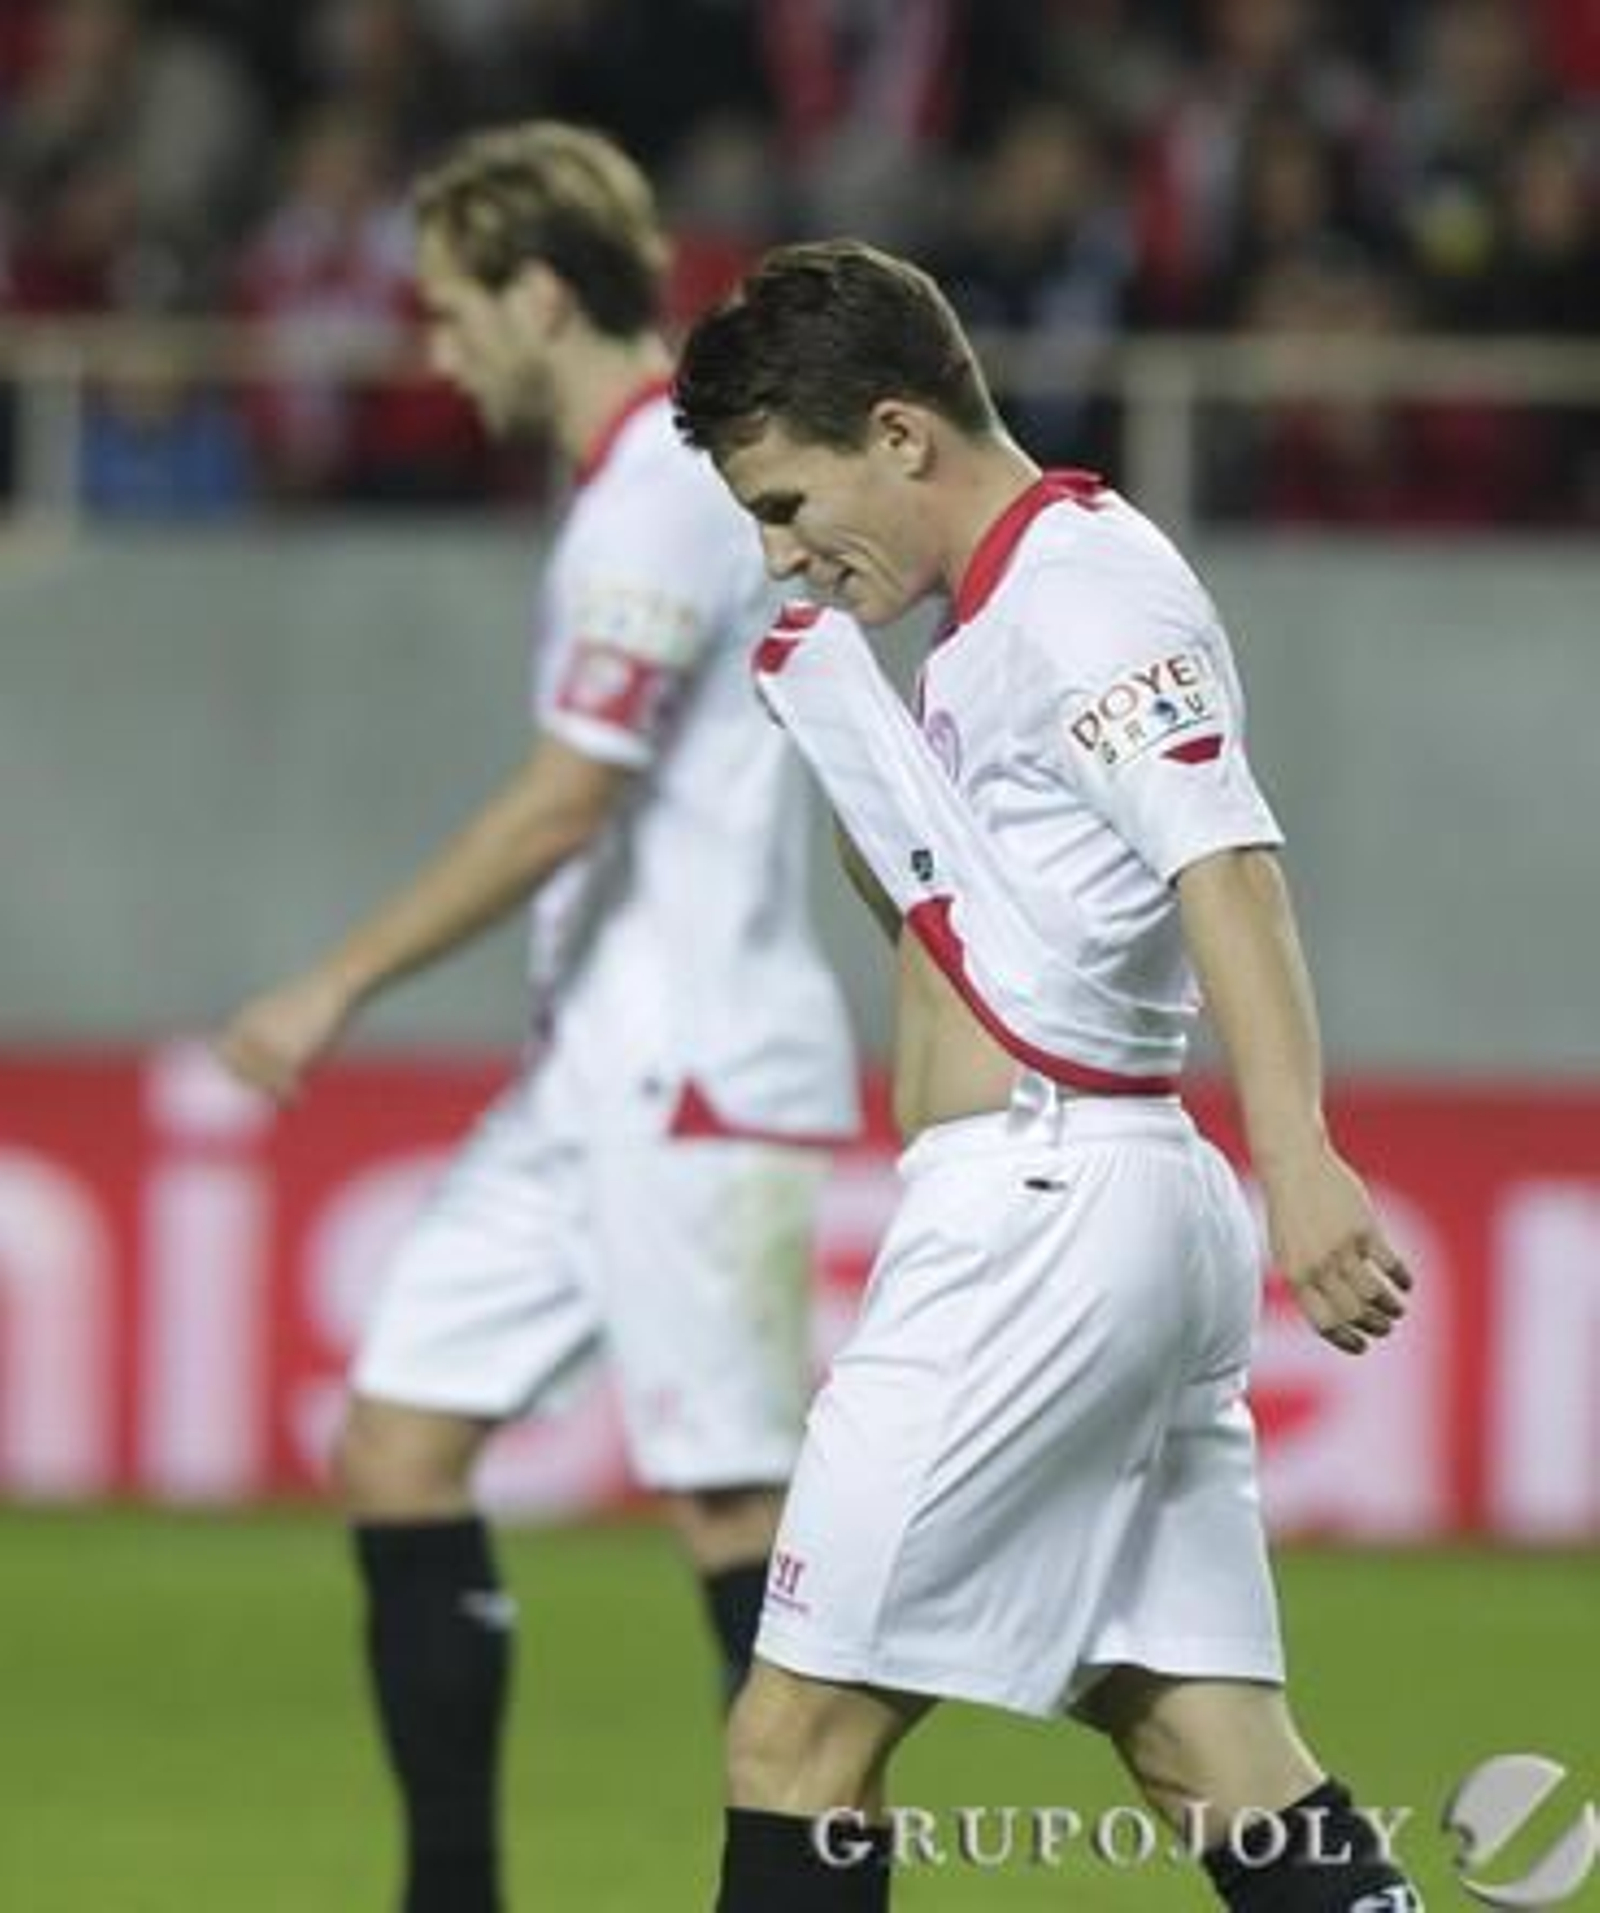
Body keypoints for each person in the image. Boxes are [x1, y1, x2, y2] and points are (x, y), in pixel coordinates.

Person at [673, 238, 1424, 1913]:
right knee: (1207, 1747)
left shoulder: (1085, 592)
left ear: (899, 432)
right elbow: (982, 938)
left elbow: (1225, 859)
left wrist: (1301, 1156)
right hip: (1091, 1197)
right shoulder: (991, 624)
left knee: (794, 1745)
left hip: (1041, 1211)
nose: (781, 551)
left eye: (787, 503)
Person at [215, 126, 859, 1913]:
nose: (438, 352)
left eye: (452, 311)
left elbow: (569, 798)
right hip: (593, 1070)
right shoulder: (633, 488)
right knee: (398, 1438)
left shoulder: (664, 497)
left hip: (699, 1068)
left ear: (543, 296)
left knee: (735, 1514)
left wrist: (333, 980)